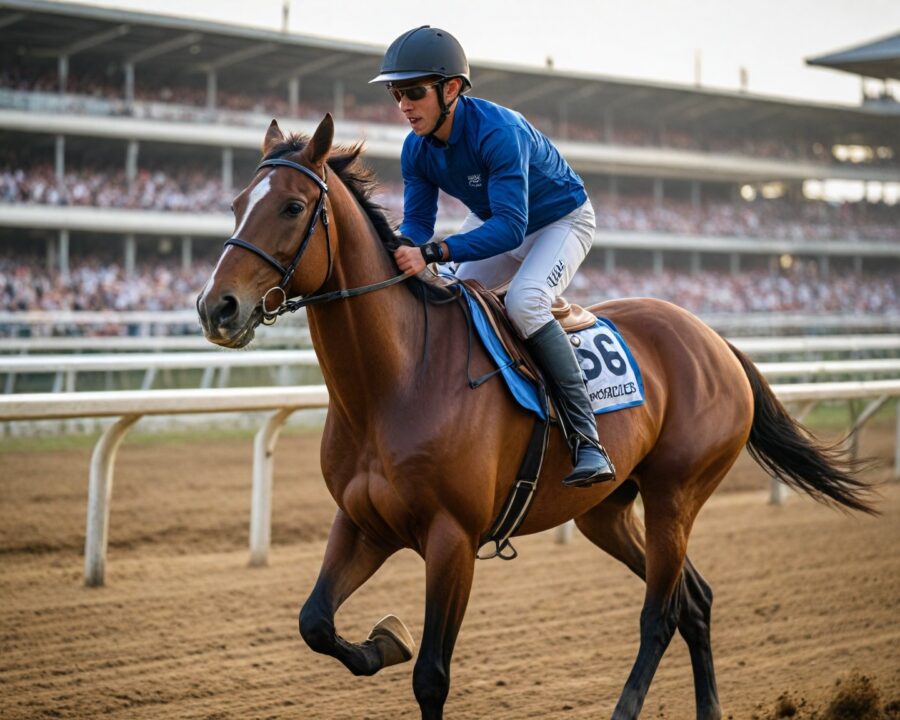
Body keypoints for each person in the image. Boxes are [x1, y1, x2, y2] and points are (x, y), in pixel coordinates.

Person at [370, 26, 615, 487]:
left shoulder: (499, 131)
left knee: (525, 301)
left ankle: (588, 440)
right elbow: (418, 227)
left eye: (414, 92)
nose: (403, 105)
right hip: (500, 221)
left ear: (452, 88)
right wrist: (397, 248)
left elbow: (510, 228)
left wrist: (434, 251)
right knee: (455, 296)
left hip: (560, 221)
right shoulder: (414, 148)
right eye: (396, 93)